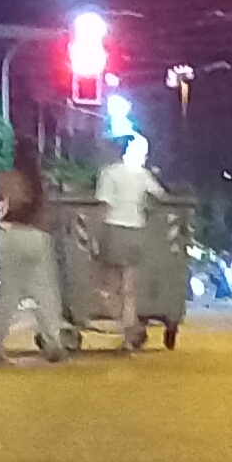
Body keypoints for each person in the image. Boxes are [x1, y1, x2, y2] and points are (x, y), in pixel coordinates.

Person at [0, 144, 66, 363]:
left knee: (8, 294)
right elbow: (46, 214)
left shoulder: (7, 178)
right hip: (36, 236)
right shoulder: (40, 182)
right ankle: (53, 342)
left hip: (10, 236)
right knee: (46, 293)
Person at [93, 135, 161, 351]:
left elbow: (104, 206)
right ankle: (130, 335)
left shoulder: (109, 173)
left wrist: (96, 234)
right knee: (129, 288)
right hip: (137, 230)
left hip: (114, 229)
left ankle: (130, 329)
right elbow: (159, 195)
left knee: (106, 287)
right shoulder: (143, 175)